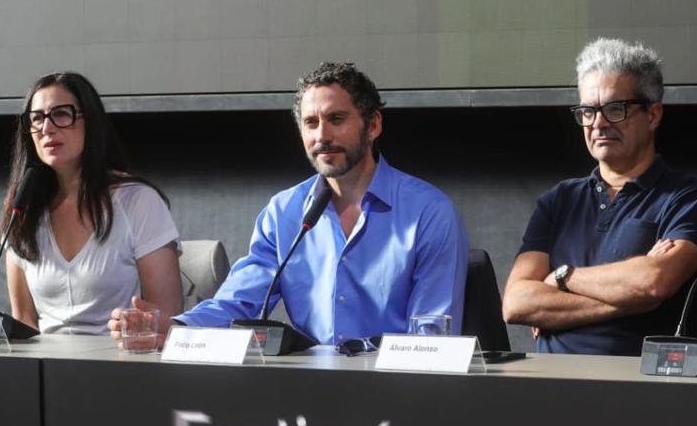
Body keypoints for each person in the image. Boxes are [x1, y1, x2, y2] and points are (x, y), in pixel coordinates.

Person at [115, 62, 468, 348]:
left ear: (373, 124)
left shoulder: (429, 213)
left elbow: (432, 339)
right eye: (310, 123)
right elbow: (240, 302)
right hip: (304, 399)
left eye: (336, 119)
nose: (322, 136)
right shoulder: (284, 213)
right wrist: (173, 328)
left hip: (397, 394)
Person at [502, 38, 697, 354]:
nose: (599, 123)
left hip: (638, 386)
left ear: (653, 115)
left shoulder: (689, 198)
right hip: (550, 385)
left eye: (616, 109)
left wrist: (562, 277)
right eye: (588, 111)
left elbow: (654, 281)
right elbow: (516, 303)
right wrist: (632, 303)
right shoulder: (558, 200)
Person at [3, 71, 182, 335]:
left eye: (62, 114)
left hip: (121, 365)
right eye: (37, 118)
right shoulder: (24, 209)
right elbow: (24, 322)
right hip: (45, 370)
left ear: (92, 122)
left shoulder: (139, 202)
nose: (46, 128)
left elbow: (166, 321)